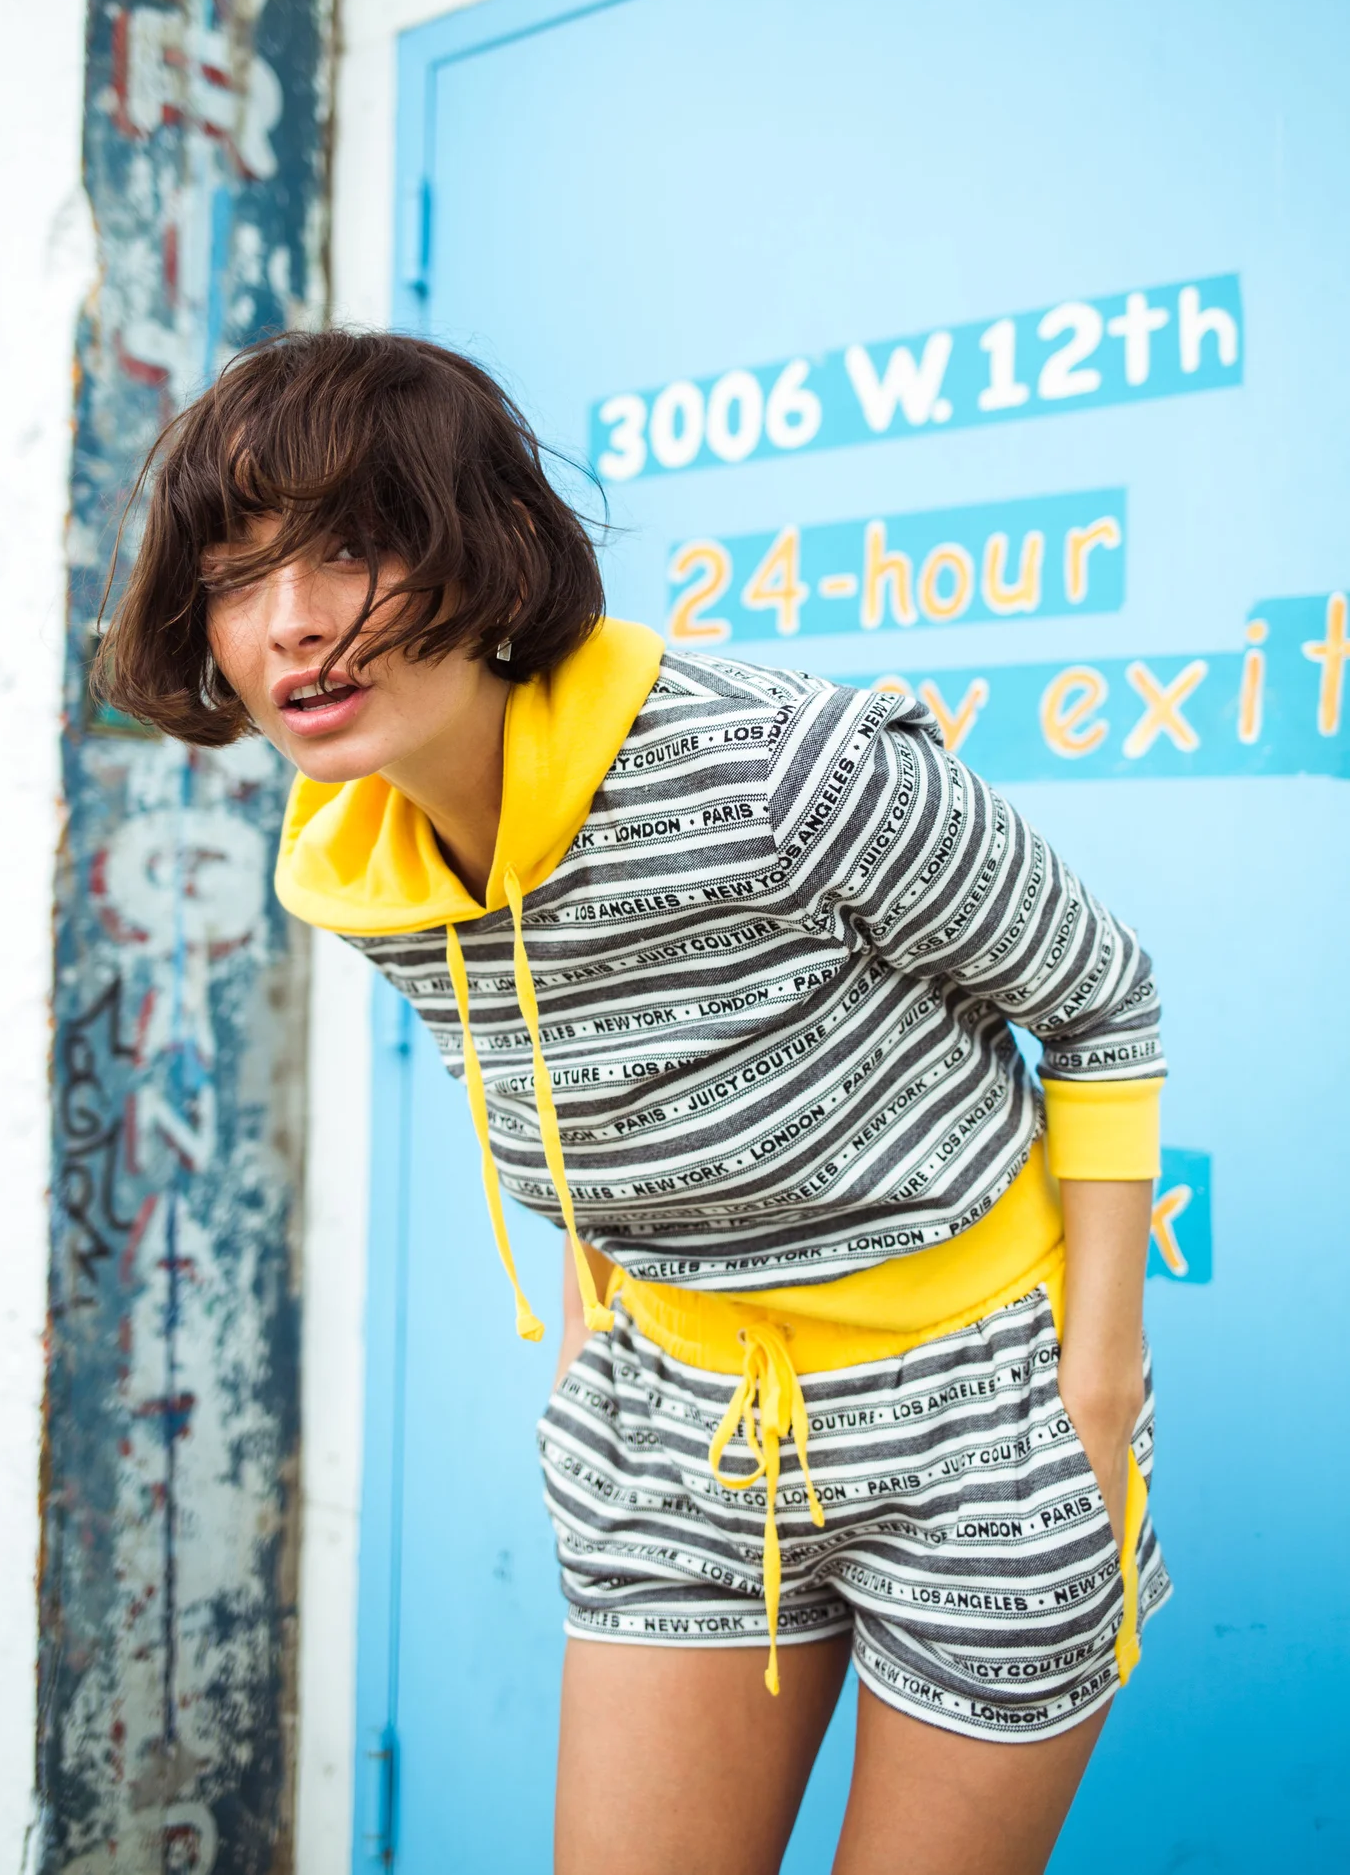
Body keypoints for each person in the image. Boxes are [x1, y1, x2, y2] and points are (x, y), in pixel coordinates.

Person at [100, 328, 1170, 1875]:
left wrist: (1096, 1389)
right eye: (237, 572)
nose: (293, 623)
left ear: (488, 548)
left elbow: (1103, 998)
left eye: (349, 549)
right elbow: (588, 1095)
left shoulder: (790, 772)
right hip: (681, 1423)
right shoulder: (366, 867)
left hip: (981, 1419)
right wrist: (591, 1347)